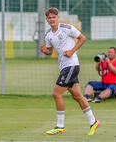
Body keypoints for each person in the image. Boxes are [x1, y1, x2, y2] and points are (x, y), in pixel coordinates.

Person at [40, 7, 100, 135]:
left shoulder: (67, 28)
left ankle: (60, 126)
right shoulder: (48, 34)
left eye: (53, 17)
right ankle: (93, 122)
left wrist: (72, 51)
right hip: (64, 67)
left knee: (56, 94)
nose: (51, 19)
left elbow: (82, 38)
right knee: (78, 96)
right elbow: (50, 51)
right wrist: (45, 51)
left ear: (58, 17)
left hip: (71, 65)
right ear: (47, 19)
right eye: (49, 18)